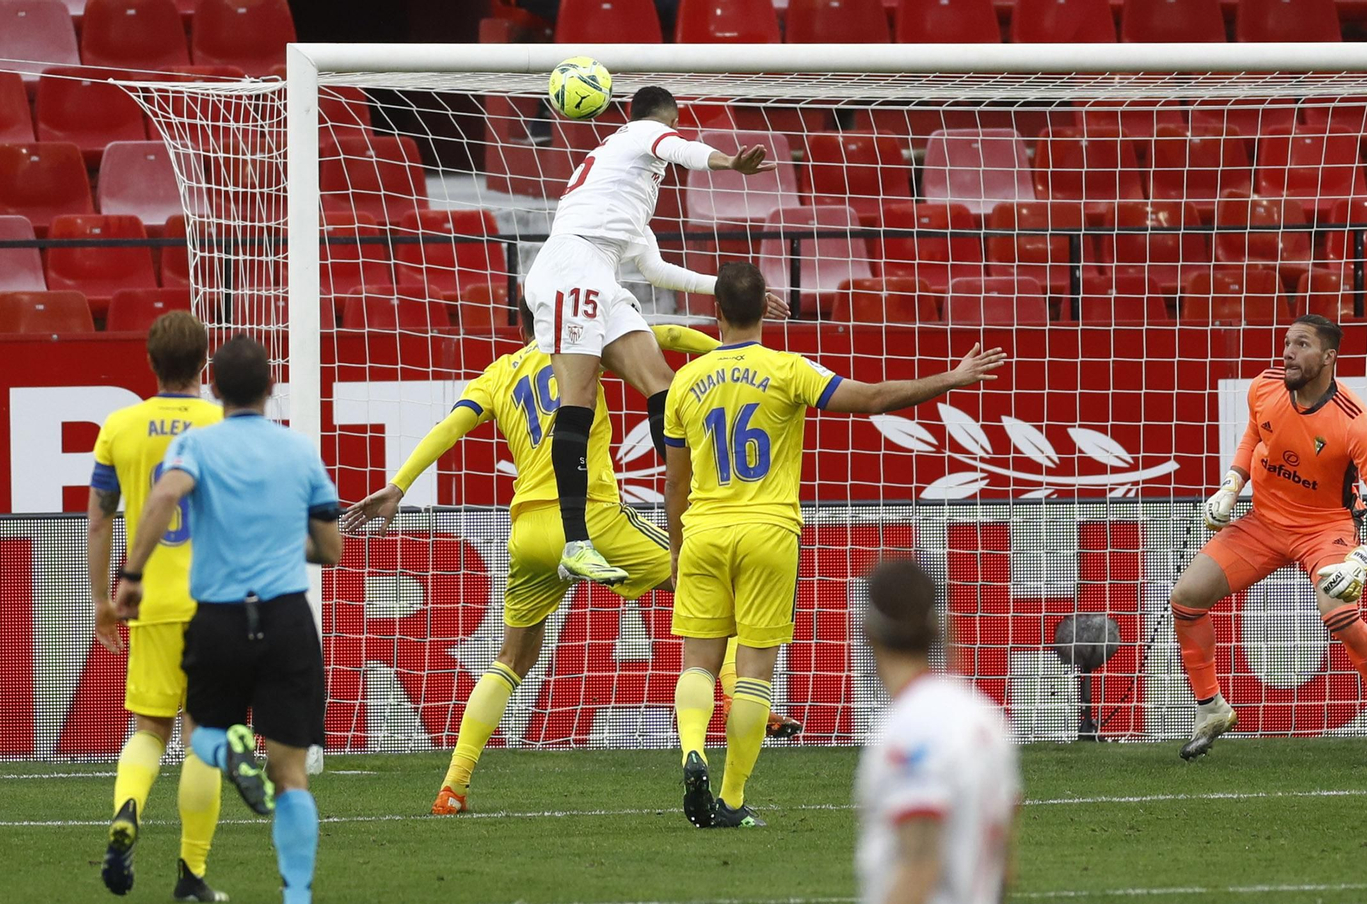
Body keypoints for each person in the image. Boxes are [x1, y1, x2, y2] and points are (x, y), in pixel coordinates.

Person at [341, 312, 800, 817]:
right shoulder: (586, 344)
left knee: (510, 661)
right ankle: (748, 693)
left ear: (519, 328)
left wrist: (400, 485)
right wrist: (722, 351)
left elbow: (450, 427)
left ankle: (453, 786)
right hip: (592, 520)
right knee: (710, 587)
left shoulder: (499, 373)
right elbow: (660, 337)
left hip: (530, 536)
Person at [664, 262, 1005, 827]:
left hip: (703, 529)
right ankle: (729, 800)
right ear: (763, 310)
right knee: (753, 670)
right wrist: (952, 377)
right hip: (769, 531)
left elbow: (675, 481)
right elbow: (871, 398)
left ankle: (692, 750)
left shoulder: (684, 382)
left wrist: (677, 547)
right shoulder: (786, 369)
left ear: (716, 311)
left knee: (699, 664)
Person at [114, 336, 343, 904]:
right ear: (271, 390)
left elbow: (165, 494)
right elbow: (332, 550)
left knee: (197, 737)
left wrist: (131, 576)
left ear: (214, 388)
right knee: (291, 773)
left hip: (216, 618)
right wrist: (283, 541)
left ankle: (228, 747)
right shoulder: (299, 451)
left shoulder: (197, 443)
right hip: (286, 618)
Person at [529, 84, 788, 586]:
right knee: (578, 396)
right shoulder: (640, 133)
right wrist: (730, 163)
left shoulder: (623, 189)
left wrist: (729, 288)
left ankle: (687, 515)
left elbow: (654, 269)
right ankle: (576, 542)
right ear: (666, 118)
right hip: (572, 266)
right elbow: (682, 150)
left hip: (600, 272)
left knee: (663, 386)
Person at [1172, 314, 1367, 760]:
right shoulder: (1264, 386)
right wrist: (1231, 484)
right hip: (1263, 523)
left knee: (1338, 613)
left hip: (1325, 530)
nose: (1287, 352)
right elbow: (1255, 433)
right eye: (1286, 342)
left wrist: (1361, 559)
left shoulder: (1354, 423)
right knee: (1186, 597)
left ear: (1328, 357)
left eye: (1301, 344)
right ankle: (1211, 709)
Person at [89, 312, 226, 903]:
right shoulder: (226, 424)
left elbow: (99, 519)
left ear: (150, 362)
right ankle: (191, 874)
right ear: (205, 364)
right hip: (215, 600)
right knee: (205, 735)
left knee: (149, 729)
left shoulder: (120, 425)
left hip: (148, 600)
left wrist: (101, 599)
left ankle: (127, 810)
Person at [855, 559, 1020, 904]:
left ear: (868, 631)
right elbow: (1005, 863)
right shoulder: (986, 717)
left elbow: (920, 863)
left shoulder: (911, 728)